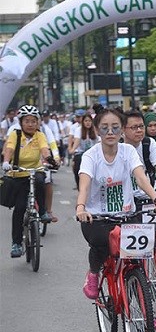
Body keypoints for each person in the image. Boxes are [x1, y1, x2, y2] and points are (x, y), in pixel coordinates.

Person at [74, 107, 156, 329]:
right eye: (105, 127)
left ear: (121, 130)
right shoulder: (91, 156)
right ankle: (94, 273)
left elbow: (141, 177)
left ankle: (145, 312)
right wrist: (80, 207)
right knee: (101, 243)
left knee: (135, 263)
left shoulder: (128, 152)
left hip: (127, 214)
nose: (110, 132)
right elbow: (84, 184)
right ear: (97, 129)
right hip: (96, 218)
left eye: (115, 127)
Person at [2, 105, 58, 257]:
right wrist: (6, 162)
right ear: (21, 122)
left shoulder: (39, 135)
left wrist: (50, 160)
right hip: (18, 174)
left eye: (34, 121)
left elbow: (45, 149)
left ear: (38, 122)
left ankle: (42, 211)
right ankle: (16, 244)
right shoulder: (15, 134)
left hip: (34, 171)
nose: (30, 124)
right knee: (19, 208)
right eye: (27, 121)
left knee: (41, 180)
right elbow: (9, 149)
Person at [70, 113, 100, 188]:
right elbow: (77, 140)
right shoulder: (78, 130)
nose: (88, 123)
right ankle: (79, 185)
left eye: (89, 121)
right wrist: (72, 149)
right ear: (83, 122)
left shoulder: (94, 130)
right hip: (81, 153)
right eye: (86, 121)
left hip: (93, 154)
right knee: (77, 164)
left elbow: (99, 141)